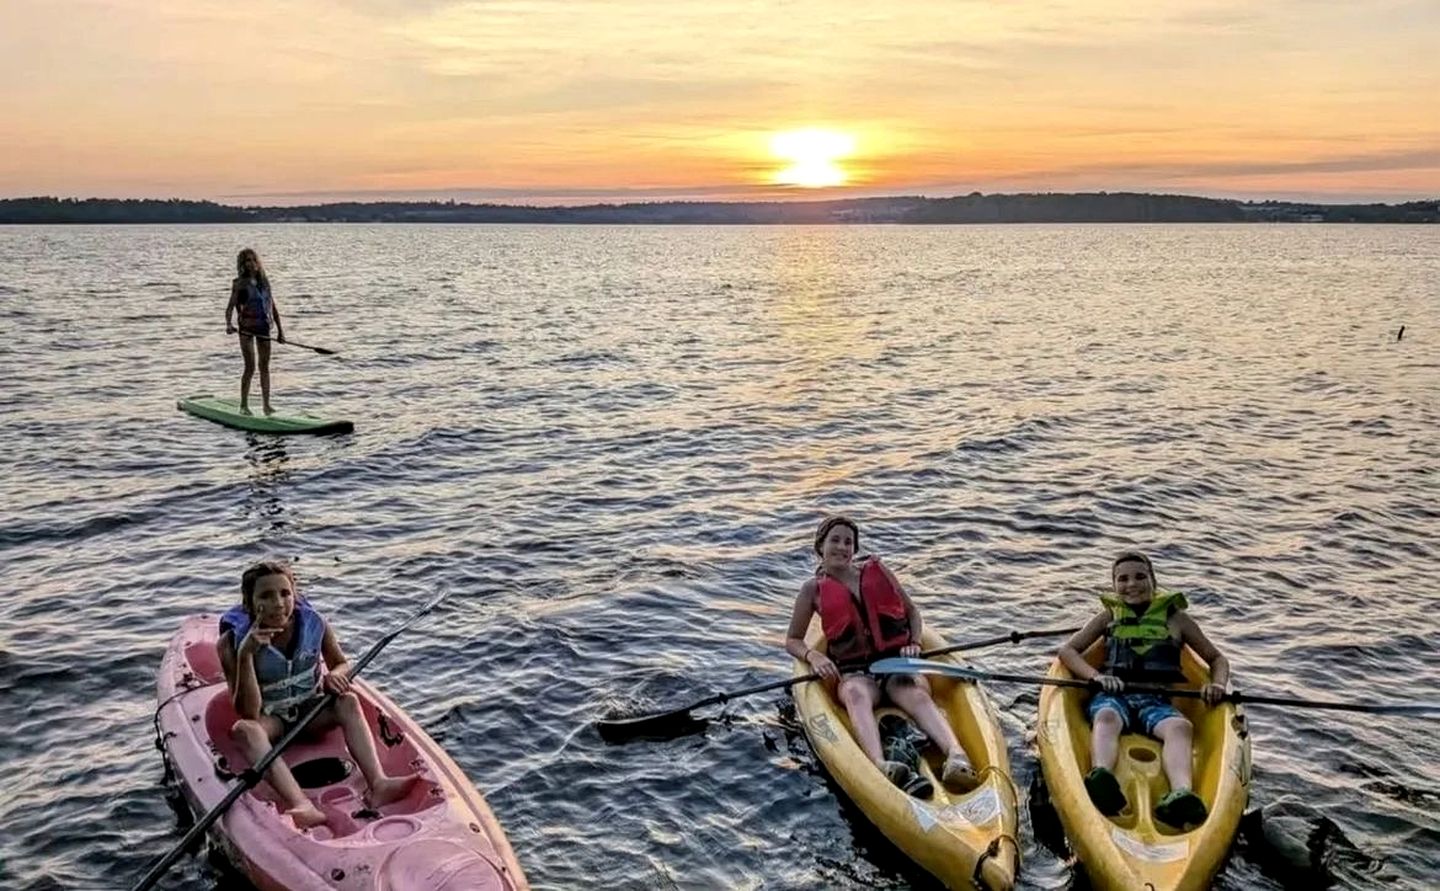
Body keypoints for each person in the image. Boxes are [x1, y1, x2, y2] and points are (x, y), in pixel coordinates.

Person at [217, 560, 419, 828]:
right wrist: (246, 655)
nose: (278, 603)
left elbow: (340, 663)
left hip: (310, 711)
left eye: (285, 593)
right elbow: (248, 711)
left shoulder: (315, 623)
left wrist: (336, 675)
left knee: (348, 700)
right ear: (249, 603)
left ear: (294, 594)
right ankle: (301, 804)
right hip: (272, 720)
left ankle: (379, 783)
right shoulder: (231, 643)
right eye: (266, 595)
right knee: (245, 729)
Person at [784, 515, 976, 794]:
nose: (842, 547)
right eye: (834, 540)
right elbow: (792, 640)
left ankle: (957, 757)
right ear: (820, 546)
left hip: (895, 667)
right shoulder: (812, 590)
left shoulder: (878, 572)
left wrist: (914, 642)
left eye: (848, 542)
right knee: (854, 695)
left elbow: (912, 613)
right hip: (856, 673)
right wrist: (814, 656)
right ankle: (880, 764)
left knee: (916, 693)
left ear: (855, 548)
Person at [1056, 551, 1230, 829]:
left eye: (1140, 576)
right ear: (1114, 585)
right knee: (1107, 718)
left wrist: (1218, 685)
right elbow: (1068, 651)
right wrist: (1097, 676)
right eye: (1122, 579)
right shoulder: (1108, 616)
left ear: (1153, 580)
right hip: (1113, 696)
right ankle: (1101, 776)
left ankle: (1180, 794)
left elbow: (1217, 659)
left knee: (1180, 727)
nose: (1131, 584)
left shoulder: (1178, 621)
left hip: (1155, 701)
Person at [224, 248, 285, 415]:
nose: (251, 263)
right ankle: (244, 405)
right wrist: (228, 325)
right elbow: (229, 308)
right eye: (247, 261)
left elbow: (273, 307)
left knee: (264, 367)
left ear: (258, 262)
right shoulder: (239, 284)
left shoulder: (264, 282)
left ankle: (266, 405)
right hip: (246, 330)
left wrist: (281, 331)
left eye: (253, 260)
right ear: (242, 265)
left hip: (264, 327)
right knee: (250, 367)